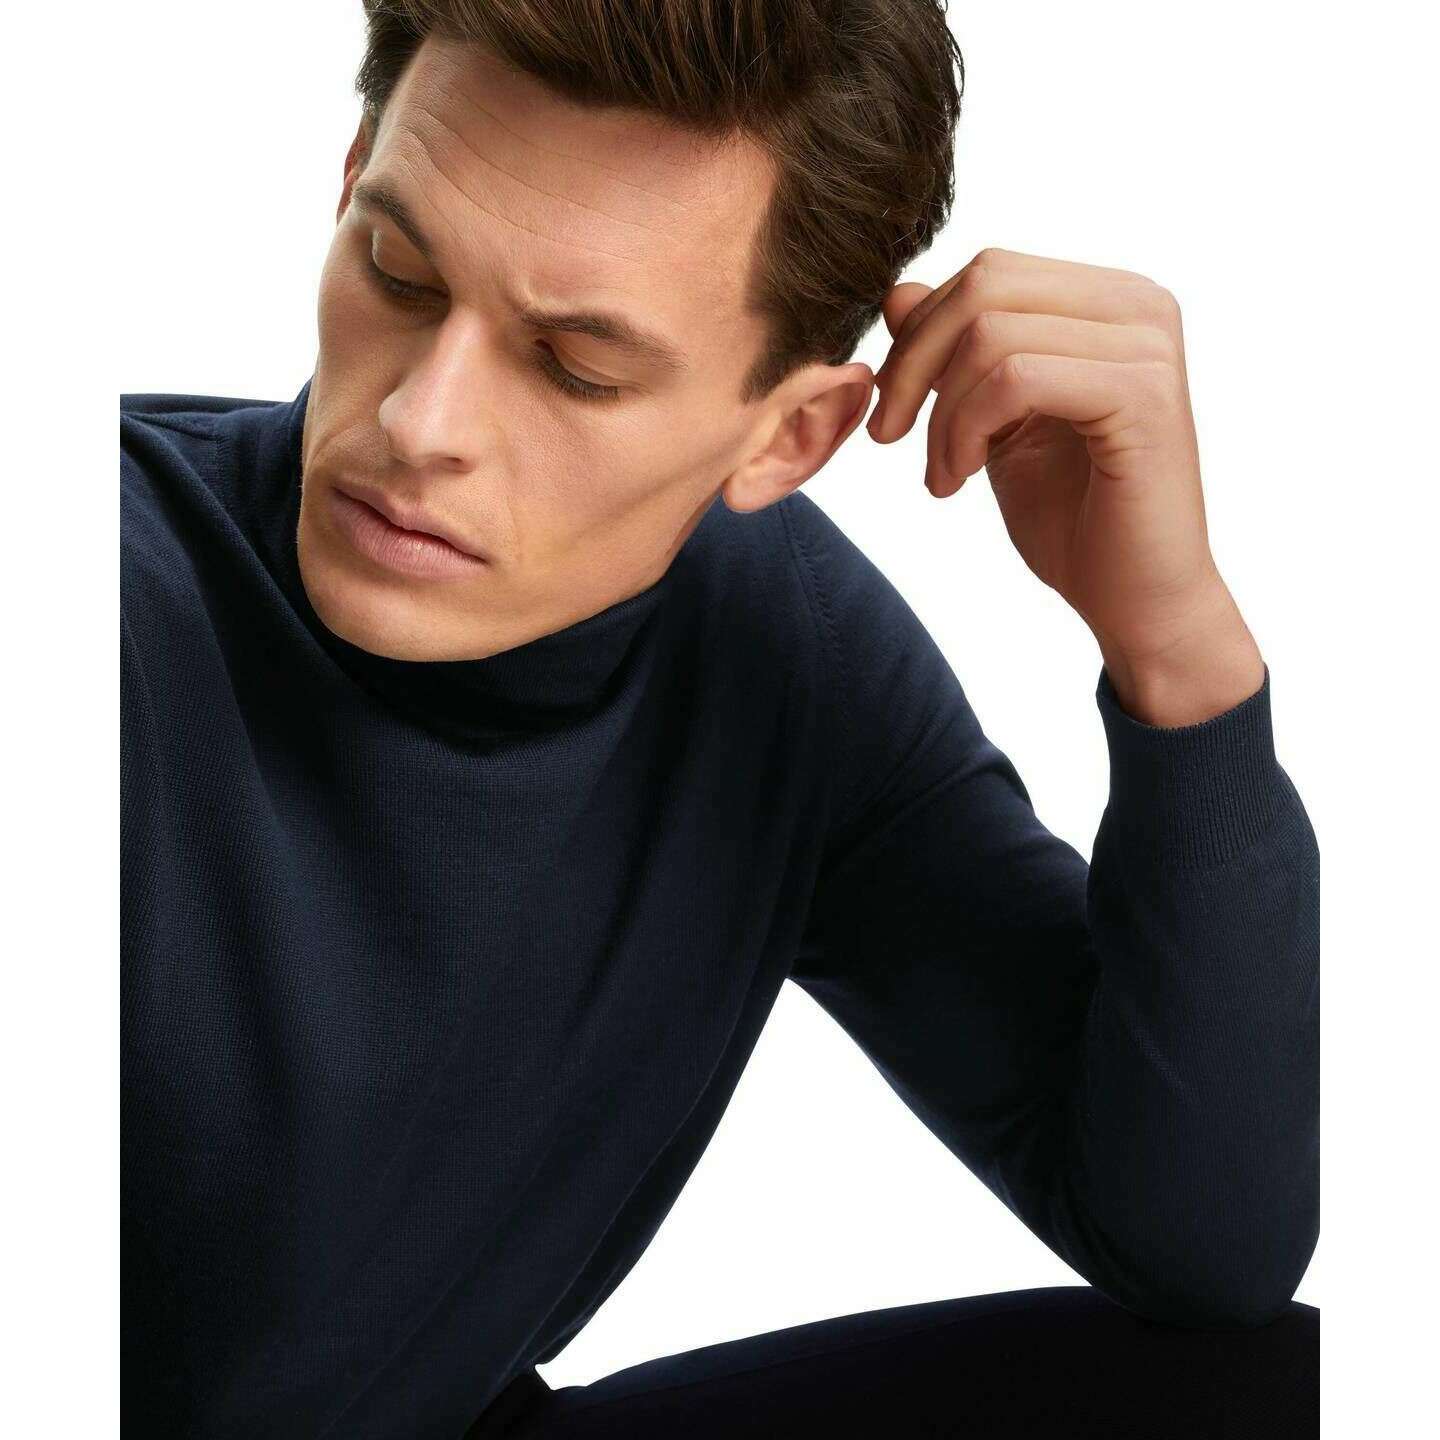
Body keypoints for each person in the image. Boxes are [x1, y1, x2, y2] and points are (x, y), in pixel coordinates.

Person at [120, 3, 1319, 1436]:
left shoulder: (785, 656)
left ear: (791, 435)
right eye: (401, 273)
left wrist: (1178, 651)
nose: (420, 424)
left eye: (576, 367)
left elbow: (1204, 1250)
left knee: (1287, 1396)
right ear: (350, 176)